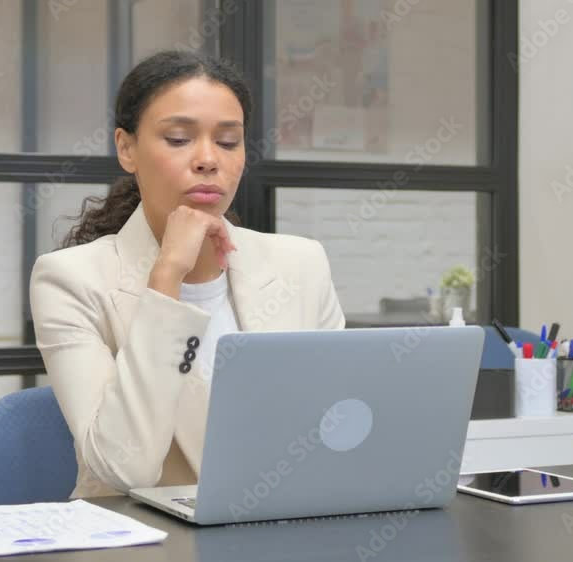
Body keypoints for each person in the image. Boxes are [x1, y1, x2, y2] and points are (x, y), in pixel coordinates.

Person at [29, 50, 345, 499]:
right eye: (178, 138)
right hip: (143, 536)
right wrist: (168, 275)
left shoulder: (301, 263)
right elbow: (124, 468)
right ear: (126, 148)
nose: (207, 159)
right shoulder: (69, 280)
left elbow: (336, 426)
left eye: (229, 141)